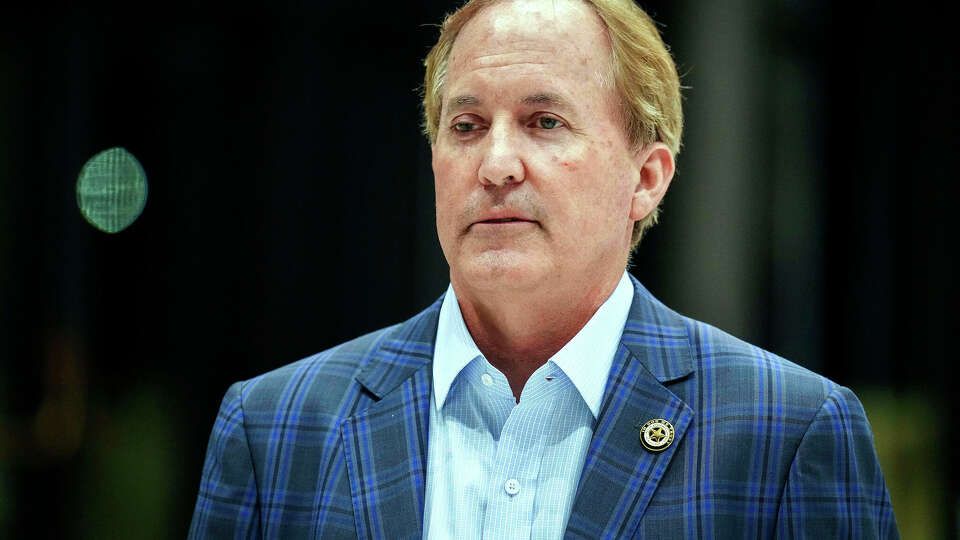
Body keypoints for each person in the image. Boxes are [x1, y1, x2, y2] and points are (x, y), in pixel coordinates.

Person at [189, 0, 898, 538]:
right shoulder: (275, 427)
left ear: (646, 178)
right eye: (466, 127)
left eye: (544, 122)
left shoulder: (787, 432)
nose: (495, 164)